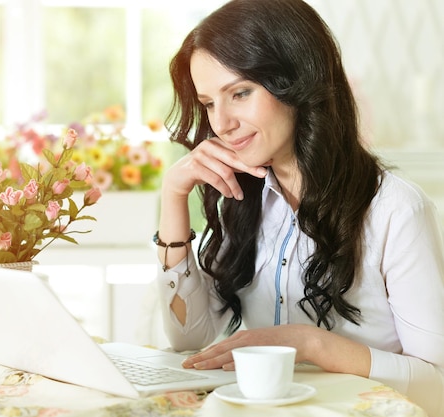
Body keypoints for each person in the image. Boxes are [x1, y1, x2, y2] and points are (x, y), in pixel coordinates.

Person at [153, 0, 444, 415]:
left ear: (296, 82)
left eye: (240, 92)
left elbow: (437, 385)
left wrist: (310, 344)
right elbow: (188, 340)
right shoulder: (242, 197)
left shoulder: (396, 210)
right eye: (209, 103)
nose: (222, 123)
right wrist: (173, 198)